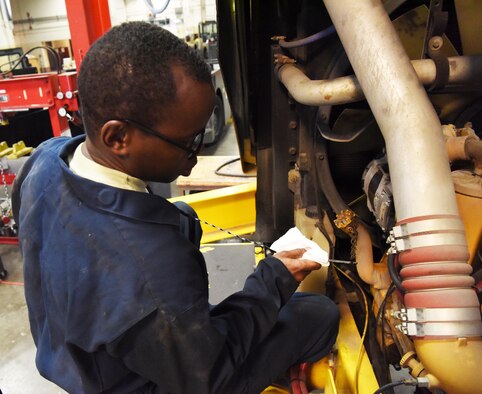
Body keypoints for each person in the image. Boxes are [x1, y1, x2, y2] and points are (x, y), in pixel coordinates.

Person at [12, 22, 339, 394]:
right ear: (118, 137)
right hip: (146, 383)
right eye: (188, 142)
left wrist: (178, 228)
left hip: (78, 357)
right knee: (317, 314)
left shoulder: (47, 157)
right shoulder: (149, 271)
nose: (194, 157)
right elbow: (206, 376)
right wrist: (273, 279)